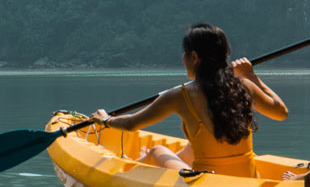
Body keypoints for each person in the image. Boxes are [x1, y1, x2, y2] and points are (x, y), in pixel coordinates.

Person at [93, 23, 288, 178]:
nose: (183, 58)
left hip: (207, 183)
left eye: (185, 54)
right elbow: (281, 113)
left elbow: (130, 124)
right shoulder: (244, 86)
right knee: (189, 148)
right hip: (248, 179)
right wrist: (252, 77)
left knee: (157, 150)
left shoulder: (179, 96)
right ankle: (142, 162)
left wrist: (105, 119)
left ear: (194, 57)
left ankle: (131, 171)